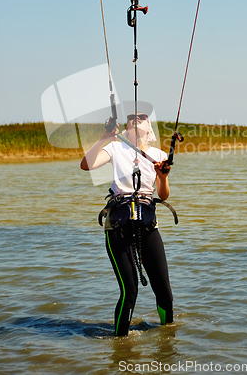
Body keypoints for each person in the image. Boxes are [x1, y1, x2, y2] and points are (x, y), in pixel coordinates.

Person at [80, 112, 174, 336]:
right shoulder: (114, 148)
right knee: (130, 290)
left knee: (164, 293)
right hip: (118, 227)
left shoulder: (158, 155)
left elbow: (164, 194)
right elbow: (87, 164)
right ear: (126, 127)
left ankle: (168, 339)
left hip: (149, 226)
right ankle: (120, 343)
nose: (136, 118)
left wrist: (163, 177)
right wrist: (105, 136)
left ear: (149, 126)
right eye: (131, 117)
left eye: (142, 117)